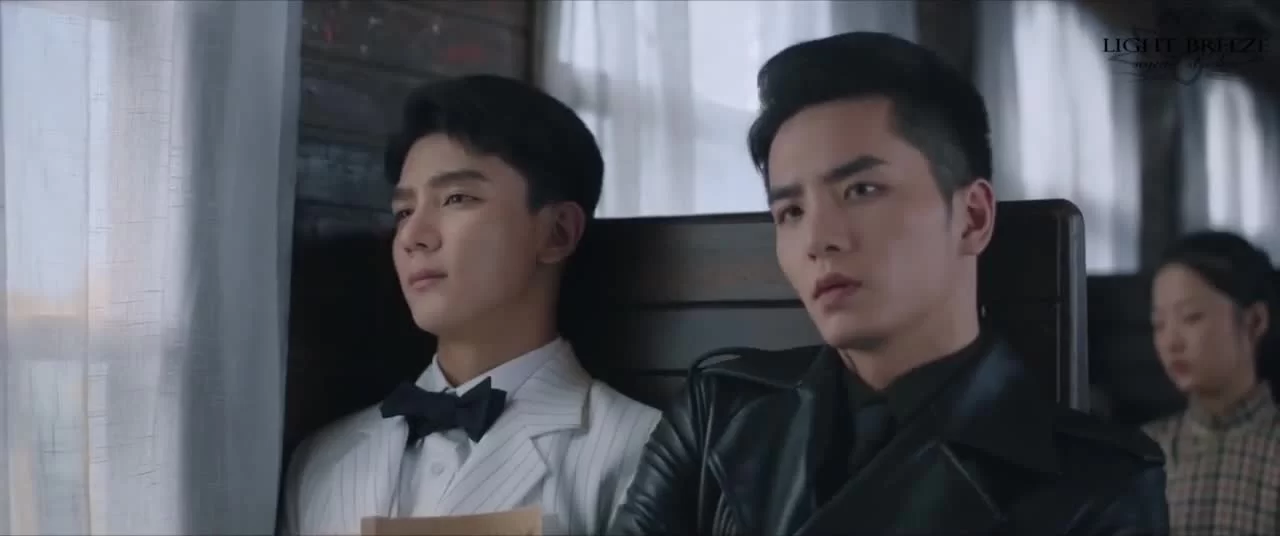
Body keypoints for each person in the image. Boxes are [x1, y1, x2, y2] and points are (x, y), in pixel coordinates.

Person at [610, 32, 1169, 536]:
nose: (818, 239)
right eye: (791, 212)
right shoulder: (718, 413)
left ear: (972, 217)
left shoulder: (1098, 483)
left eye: (861, 191)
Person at [283, 75, 661, 535]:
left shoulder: (640, 450)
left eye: (456, 198)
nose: (413, 236)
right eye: (404, 211)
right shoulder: (321, 460)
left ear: (557, 231)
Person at [1144, 231, 1280, 536]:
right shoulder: (1145, 454)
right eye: (1158, 324)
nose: (1171, 342)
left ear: (1254, 321)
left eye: (1191, 317)